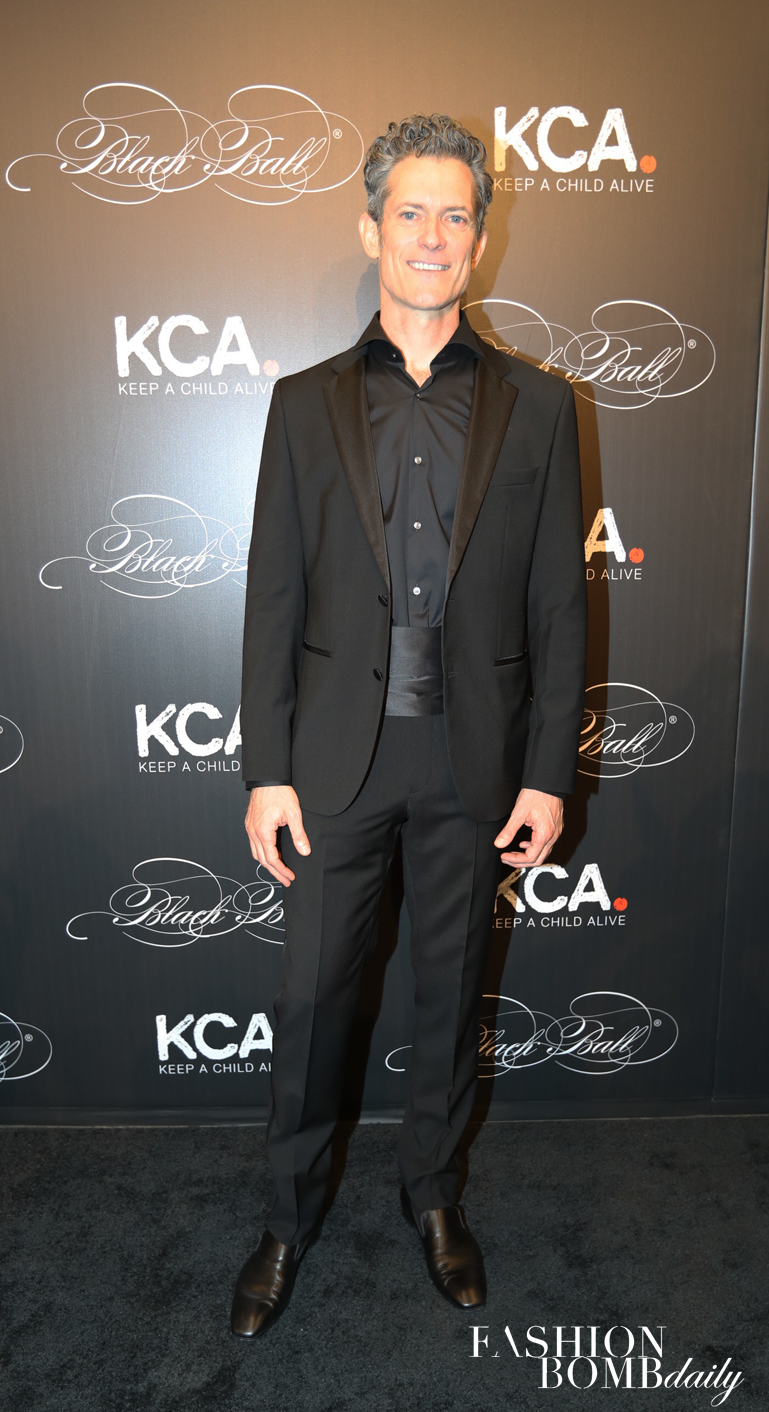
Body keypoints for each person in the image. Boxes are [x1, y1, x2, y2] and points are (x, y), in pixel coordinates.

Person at [232, 115, 586, 1338]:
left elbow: (559, 605)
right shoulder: (302, 405)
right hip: (336, 762)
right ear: (369, 227)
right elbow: (272, 597)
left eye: (456, 215)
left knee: (450, 997)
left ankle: (432, 1196)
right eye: (411, 212)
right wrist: (266, 769)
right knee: (311, 1005)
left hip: (473, 760)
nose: (432, 236)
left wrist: (546, 776)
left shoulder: (542, 407)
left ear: (480, 240)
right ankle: (286, 1217)